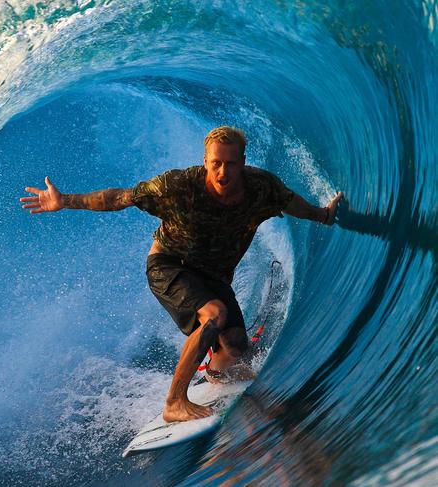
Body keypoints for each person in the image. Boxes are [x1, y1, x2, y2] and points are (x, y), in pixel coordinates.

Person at [20, 126, 343, 422]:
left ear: (242, 162)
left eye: (231, 164)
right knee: (213, 315)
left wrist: (322, 215)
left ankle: (215, 372)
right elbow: (120, 198)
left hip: (213, 275)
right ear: (205, 160)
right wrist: (65, 201)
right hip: (169, 265)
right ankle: (174, 403)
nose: (223, 171)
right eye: (216, 163)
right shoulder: (176, 187)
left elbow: (289, 203)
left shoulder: (261, 187)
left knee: (234, 349)